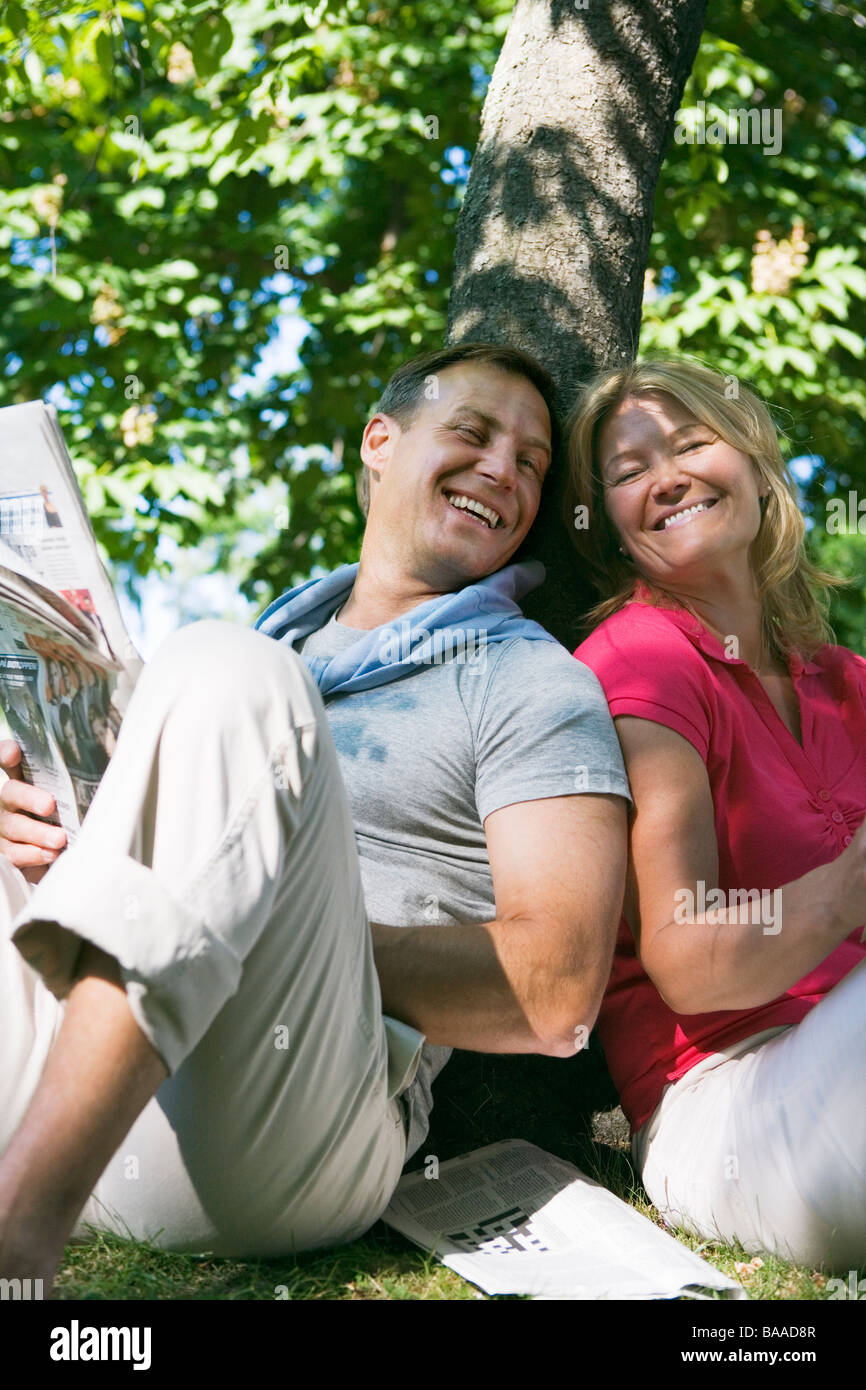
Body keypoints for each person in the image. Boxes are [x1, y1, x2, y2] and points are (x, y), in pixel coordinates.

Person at [0, 341, 630, 1289]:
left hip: (271, 1135)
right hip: (75, 1089)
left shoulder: (532, 679)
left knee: (235, 672)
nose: (504, 470)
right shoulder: (267, 641)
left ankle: (18, 1236)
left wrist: (265, 925)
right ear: (380, 440)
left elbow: (556, 993)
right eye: (473, 433)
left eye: (533, 465)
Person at [566, 356, 866, 1271]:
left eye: (694, 442)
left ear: (755, 462)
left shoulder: (845, 681)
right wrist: (844, 891)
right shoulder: (640, 659)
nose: (667, 478)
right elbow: (689, 963)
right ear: (611, 525)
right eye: (627, 473)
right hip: (730, 1098)